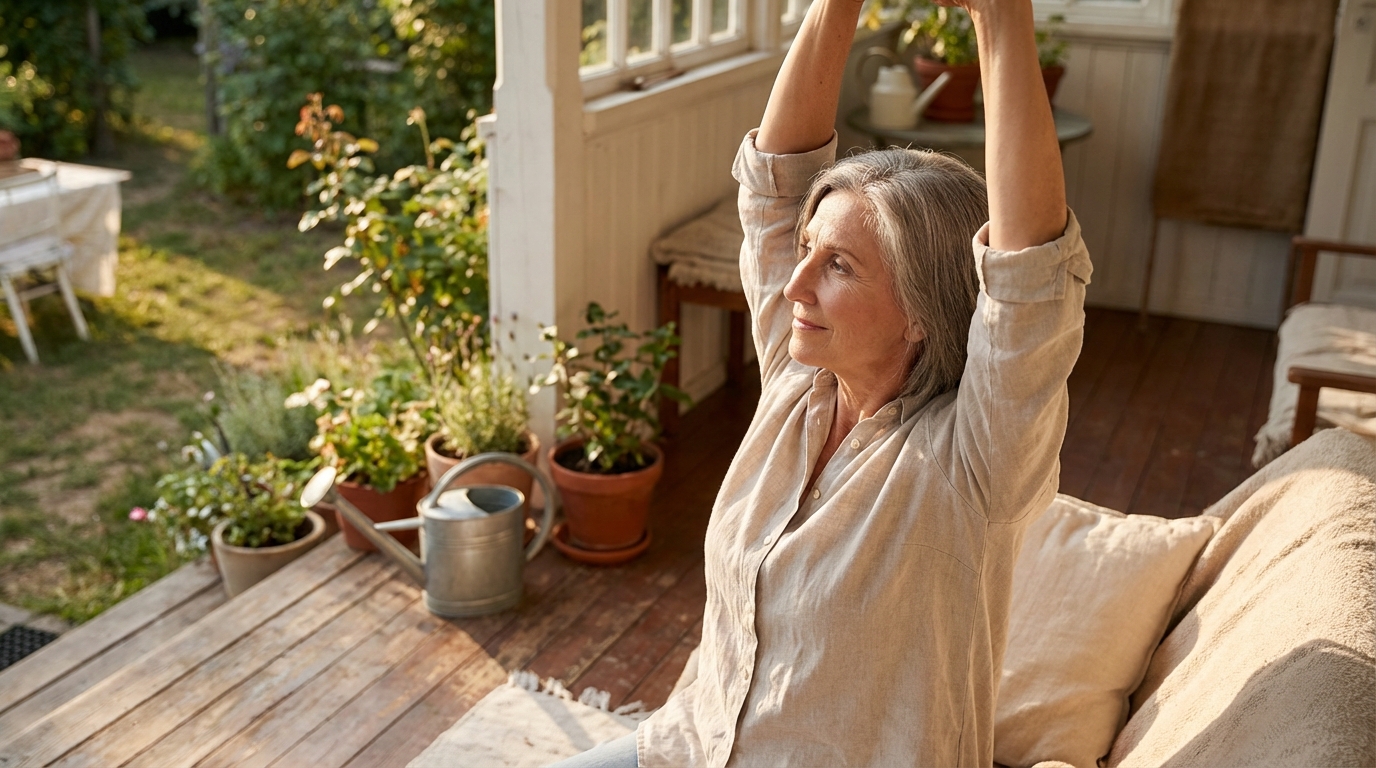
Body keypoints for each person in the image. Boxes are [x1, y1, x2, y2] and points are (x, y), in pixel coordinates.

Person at [553, 0, 1090, 764]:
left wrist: (1002, 18)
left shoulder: (974, 465)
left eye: (838, 265)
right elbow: (774, 183)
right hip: (693, 744)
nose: (794, 284)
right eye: (806, 247)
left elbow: (1030, 278)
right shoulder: (797, 380)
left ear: (921, 312)